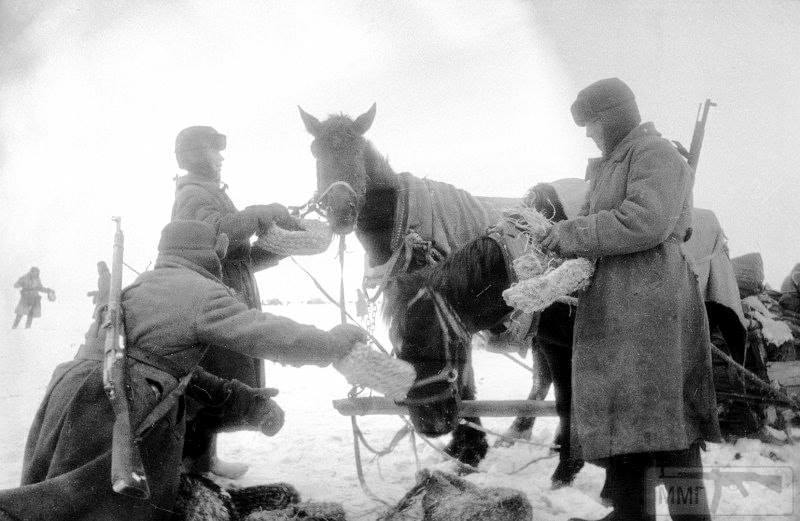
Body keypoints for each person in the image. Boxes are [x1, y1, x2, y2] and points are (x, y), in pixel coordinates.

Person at [0, 220, 366, 521]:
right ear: (209, 252)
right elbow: (266, 333)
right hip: (116, 406)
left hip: (70, 398)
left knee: (59, 502)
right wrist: (331, 344)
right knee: (105, 508)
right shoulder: (199, 291)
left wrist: (243, 401)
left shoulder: (141, 285)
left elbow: (168, 367)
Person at [541, 78, 721, 521]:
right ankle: (631, 512)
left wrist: (566, 234)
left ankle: (686, 517)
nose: (588, 133)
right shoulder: (615, 162)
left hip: (648, 307)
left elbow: (645, 221)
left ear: (613, 116)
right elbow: (601, 222)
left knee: (669, 427)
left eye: (592, 123)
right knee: (630, 427)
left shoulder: (654, 154)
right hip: (623, 308)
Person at [171, 125, 296, 478]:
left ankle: (203, 459)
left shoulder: (207, 192)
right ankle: (191, 462)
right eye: (214, 149)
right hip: (212, 297)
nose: (221, 157)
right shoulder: (193, 194)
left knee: (221, 377)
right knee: (211, 382)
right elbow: (215, 234)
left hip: (228, 292)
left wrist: (277, 249)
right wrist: (261, 213)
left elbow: (235, 256)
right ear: (197, 154)